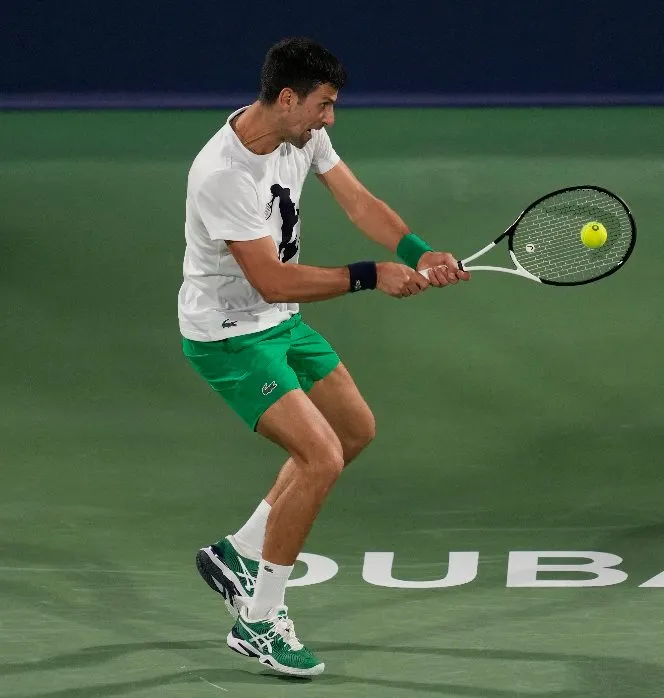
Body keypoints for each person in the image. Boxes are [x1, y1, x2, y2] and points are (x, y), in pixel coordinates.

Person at [179, 37, 469, 677]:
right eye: (323, 105)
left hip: (281, 323)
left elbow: (356, 198)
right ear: (287, 99)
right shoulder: (222, 174)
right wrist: (371, 275)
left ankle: (241, 551)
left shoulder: (299, 137)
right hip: (229, 333)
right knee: (320, 456)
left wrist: (417, 249)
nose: (328, 119)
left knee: (354, 429)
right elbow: (272, 281)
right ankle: (259, 620)